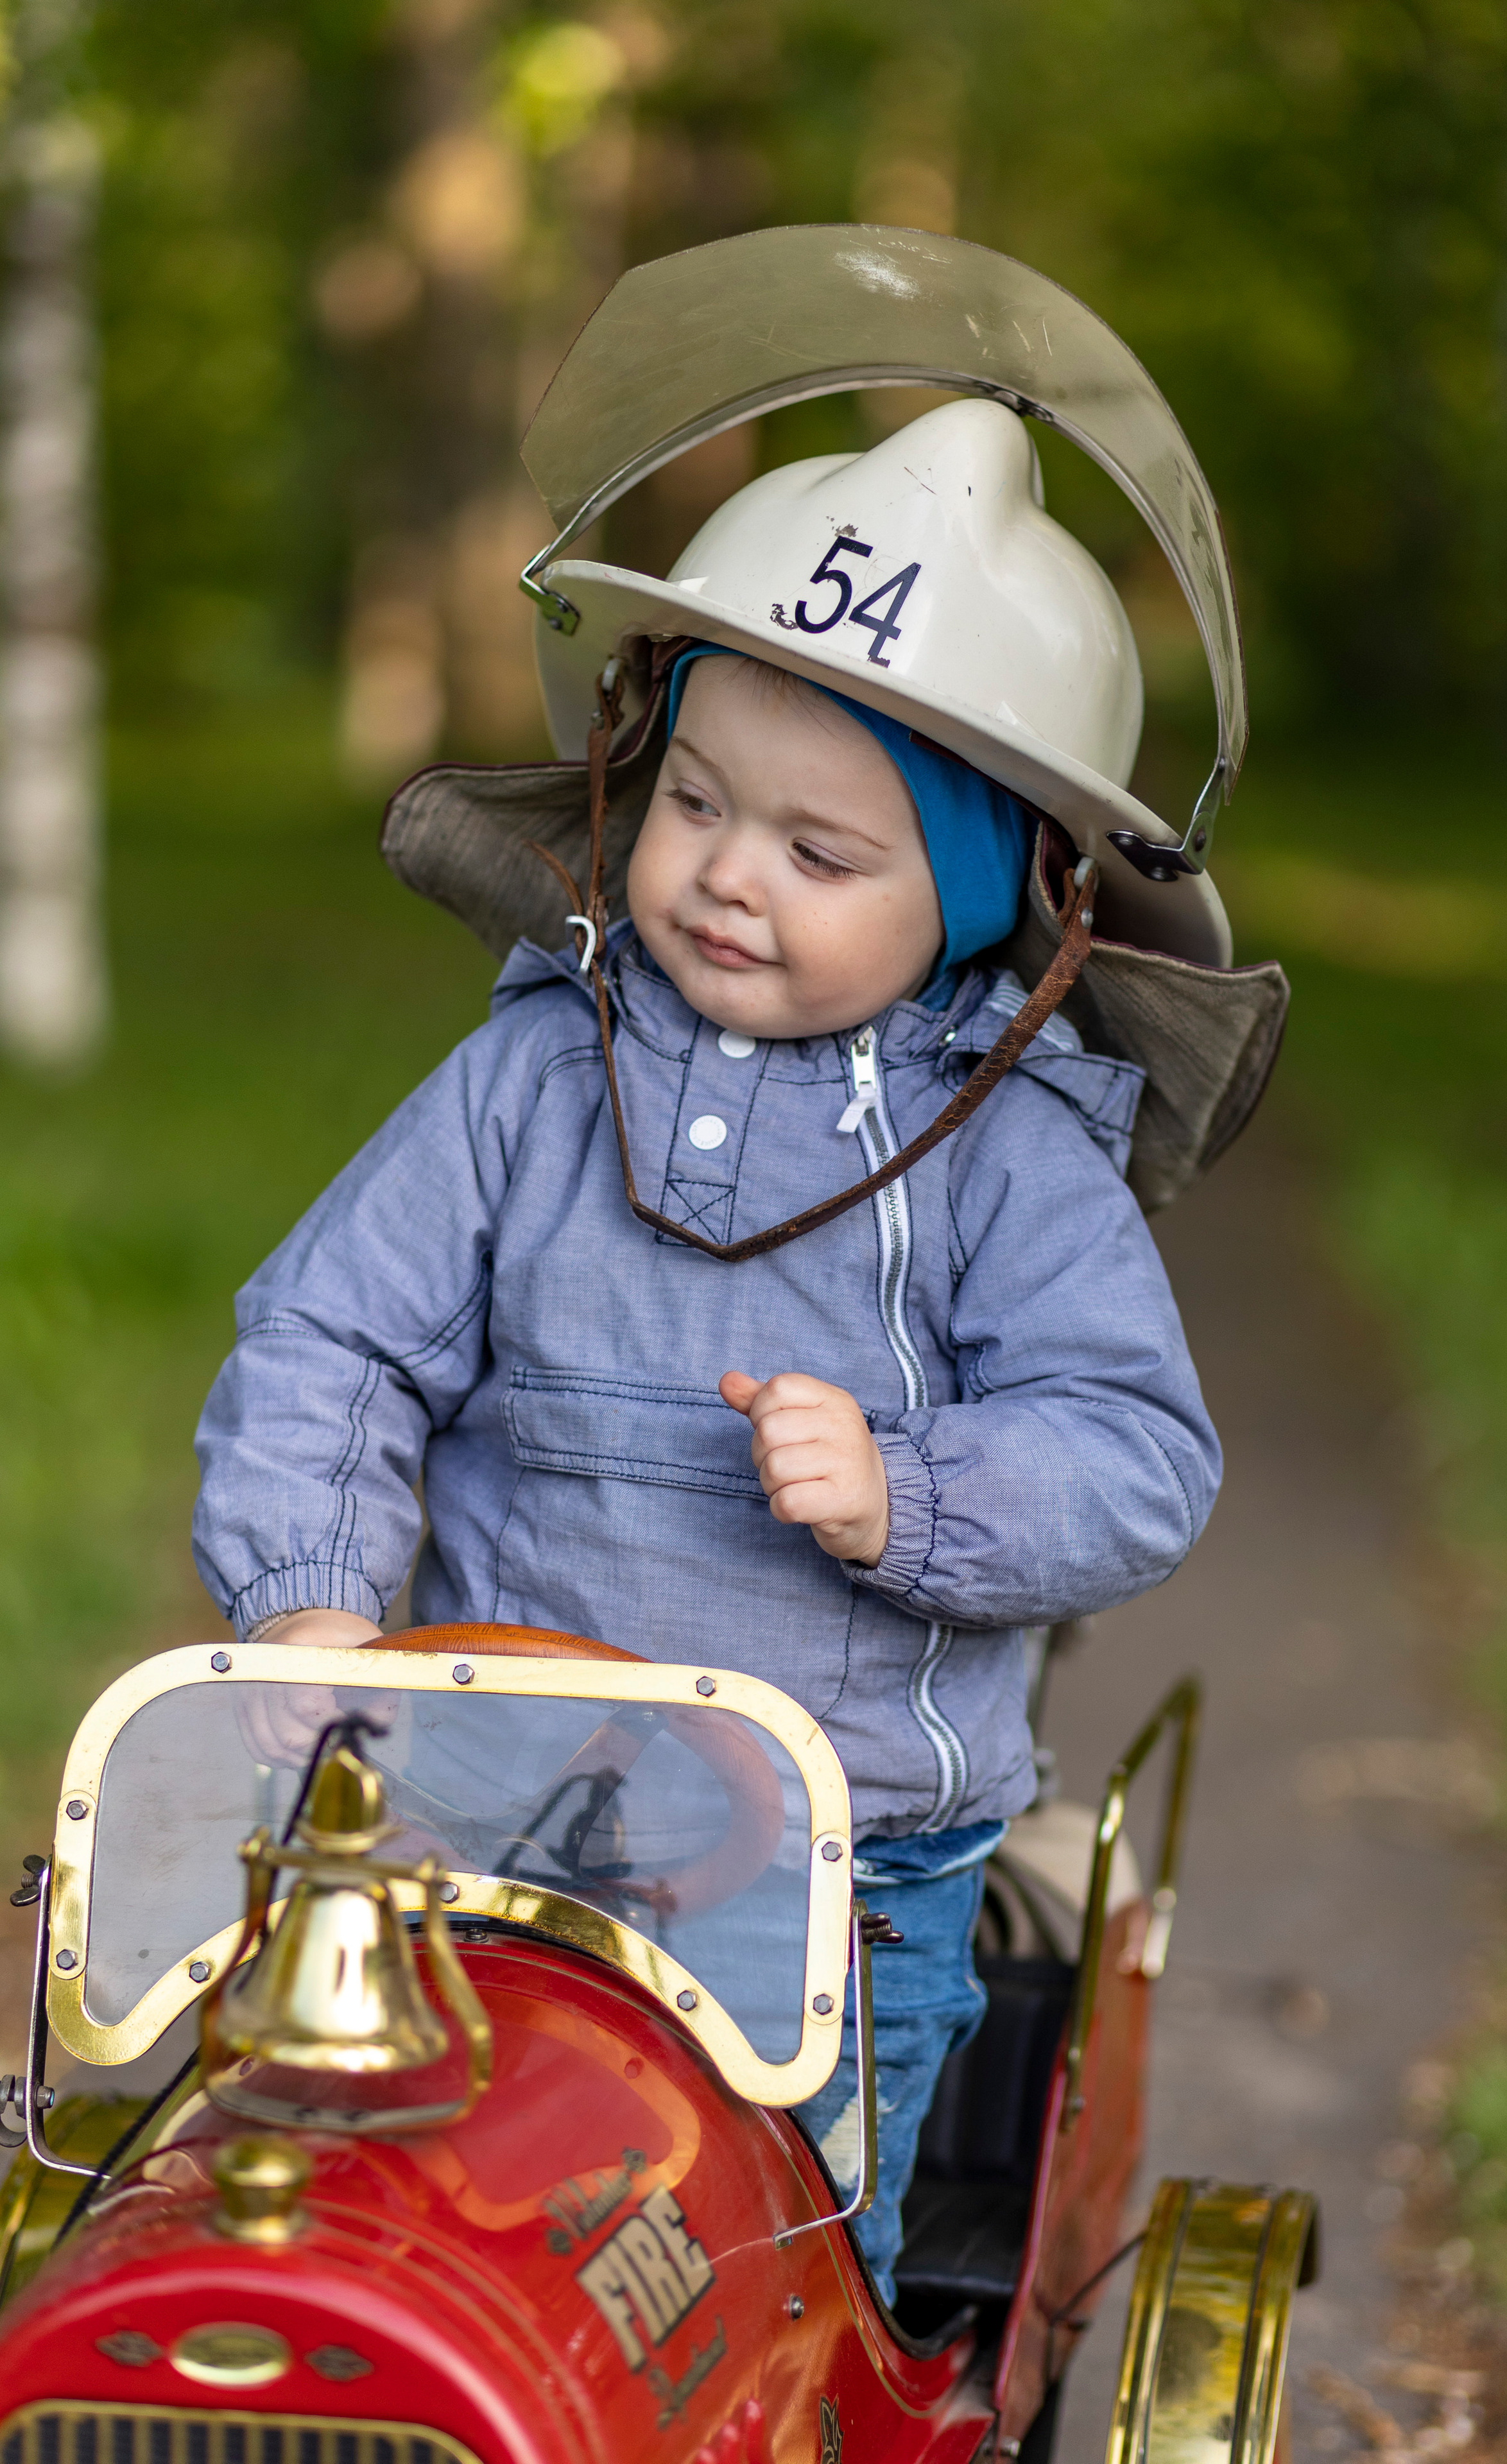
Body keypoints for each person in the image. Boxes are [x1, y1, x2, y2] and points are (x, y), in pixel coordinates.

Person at [191, 398, 1223, 2306]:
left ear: (982, 902)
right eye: (695, 801)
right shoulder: (527, 1077)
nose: (729, 874)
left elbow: (1139, 1451)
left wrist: (912, 1493)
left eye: (824, 851)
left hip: (829, 1889)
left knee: (760, 2303)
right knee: (430, 2239)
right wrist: (318, 1596)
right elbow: (331, 1331)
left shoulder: (1009, 1156)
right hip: (485, 1830)